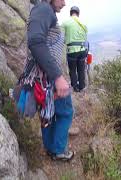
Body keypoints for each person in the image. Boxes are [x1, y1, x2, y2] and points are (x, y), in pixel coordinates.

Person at [27, 0, 74, 161]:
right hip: (51, 78)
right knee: (66, 113)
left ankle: (50, 148)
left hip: (44, 78)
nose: (64, 3)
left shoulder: (44, 10)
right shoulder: (43, 9)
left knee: (49, 113)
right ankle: (59, 150)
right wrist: (58, 77)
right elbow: (35, 41)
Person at [61, 6, 88, 92]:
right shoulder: (84, 24)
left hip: (72, 51)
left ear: (71, 13)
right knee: (81, 69)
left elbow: (61, 38)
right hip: (83, 50)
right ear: (78, 13)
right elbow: (85, 38)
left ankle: (75, 87)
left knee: (72, 70)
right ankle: (82, 86)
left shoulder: (65, 23)